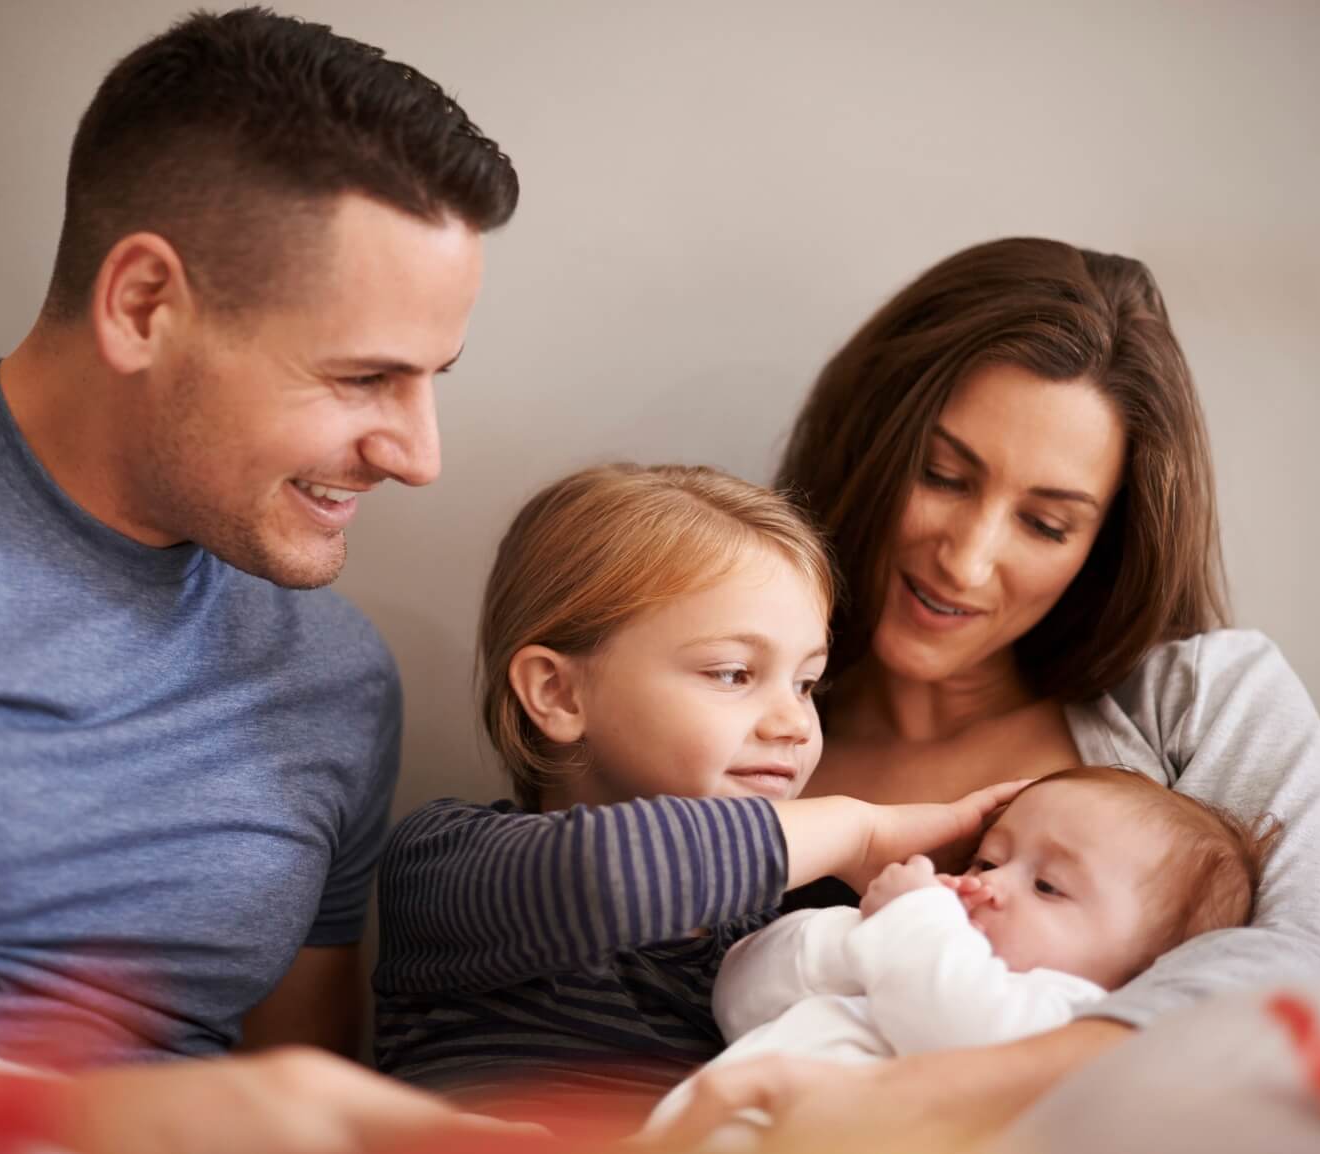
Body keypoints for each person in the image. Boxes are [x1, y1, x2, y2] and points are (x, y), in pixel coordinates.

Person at [0, 7, 527, 1151]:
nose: (420, 457)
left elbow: (298, 1096)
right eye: (365, 376)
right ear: (142, 306)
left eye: (434, 379)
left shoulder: (332, 676)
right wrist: (78, 1111)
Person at [658, 237, 1320, 1151]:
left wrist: (948, 1095)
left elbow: (1310, 969)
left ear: (1102, 544)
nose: (967, 558)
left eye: (1045, 522)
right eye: (943, 476)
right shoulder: (734, 720)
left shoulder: (1199, 701)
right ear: (871, 443)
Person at [371, 463, 1027, 1133]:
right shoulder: (446, 861)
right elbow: (608, 879)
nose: (795, 723)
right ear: (558, 694)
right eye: (733, 673)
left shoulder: (779, 935)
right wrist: (856, 833)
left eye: (806, 684)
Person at [645, 765, 1281, 1144]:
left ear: (1147, 968)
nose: (990, 885)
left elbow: (961, 1029)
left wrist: (913, 922)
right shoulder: (907, 953)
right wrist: (853, 938)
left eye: (1048, 887)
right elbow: (737, 998)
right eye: (989, 859)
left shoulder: (1066, 1012)